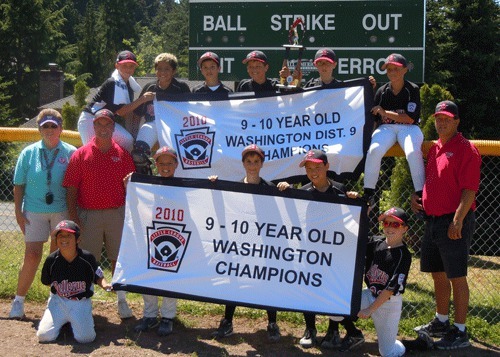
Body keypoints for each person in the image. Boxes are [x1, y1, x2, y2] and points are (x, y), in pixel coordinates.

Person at [411, 100, 481, 350]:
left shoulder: (466, 149)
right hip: (432, 219)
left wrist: (458, 219)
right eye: (438, 118)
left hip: (453, 219)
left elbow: (469, 190)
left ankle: (460, 330)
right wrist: (416, 197)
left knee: (457, 276)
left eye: (447, 119)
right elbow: (432, 182)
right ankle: (442, 321)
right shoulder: (434, 148)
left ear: (457, 121)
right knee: (437, 273)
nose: (442, 122)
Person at [276, 149, 361, 349]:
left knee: (333, 288)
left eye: (317, 167)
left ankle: (333, 330)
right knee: (309, 288)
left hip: (335, 252)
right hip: (310, 251)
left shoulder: (340, 190)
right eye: (309, 168)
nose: (313, 172)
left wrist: (355, 201)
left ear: (327, 167)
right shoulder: (302, 191)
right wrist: (285, 190)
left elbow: (355, 219)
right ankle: (310, 329)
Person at [63, 108, 136, 319]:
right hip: (89, 214)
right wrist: (73, 217)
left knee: (117, 259)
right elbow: (71, 188)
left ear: (114, 128)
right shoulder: (81, 154)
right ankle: (84, 301)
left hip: (115, 213)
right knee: (88, 261)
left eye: (108, 125)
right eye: (99, 124)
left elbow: (130, 188)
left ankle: (122, 301)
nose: (103, 129)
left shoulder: (122, 155)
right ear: (93, 126)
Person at [9, 109, 77, 320]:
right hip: (34, 211)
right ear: (39, 129)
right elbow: (18, 185)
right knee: (32, 255)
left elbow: (75, 186)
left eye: (53, 126)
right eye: (45, 126)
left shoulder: (71, 152)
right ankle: (19, 301)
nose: (49, 130)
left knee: (57, 257)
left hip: (61, 212)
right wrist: (18, 212)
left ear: (61, 128)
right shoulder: (28, 153)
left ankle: (54, 300)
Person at [210, 144, 281, 342]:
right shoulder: (234, 187)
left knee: (268, 280)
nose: (252, 165)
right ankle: (228, 322)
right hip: (240, 244)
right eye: (248, 161)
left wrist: (285, 190)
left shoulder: (270, 188)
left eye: (256, 161)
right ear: (243, 163)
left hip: (263, 244)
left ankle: (272, 323)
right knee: (234, 279)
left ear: (261, 164)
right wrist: (213, 184)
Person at [339, 207, 412, 356]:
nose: (390, 227)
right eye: (386, 223)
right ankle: (354, 333)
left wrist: (370, 309)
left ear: (405, 229)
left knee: (388, 352)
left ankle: (400, 345)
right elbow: (357, 232)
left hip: (388, 304)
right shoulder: (376, 242)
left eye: (396, 224)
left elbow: (391, 288)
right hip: (369, 294)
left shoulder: (403, 255)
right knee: (336, 308)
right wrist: (366, 214)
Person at [129, 146, 181, 336]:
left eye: (169, 163)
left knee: (170, 276)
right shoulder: (147, 185)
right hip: (151, 236)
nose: (165, 166)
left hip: (175, 237)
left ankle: (167, 317)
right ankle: (150, 315)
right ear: (155, 164)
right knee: (148, 274)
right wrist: (131, 182)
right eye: (161, 163)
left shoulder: (185, 185)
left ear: (176, 164)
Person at [363, 53, 425, 206]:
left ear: (404, 70)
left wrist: (385, 112)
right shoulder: (382, 91)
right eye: (389, 69)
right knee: (375, 150)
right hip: (387, 128)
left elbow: (410, 118)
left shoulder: (412, 89)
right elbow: (373, 117)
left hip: (409, 128)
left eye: (396, 69)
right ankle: (368, 194)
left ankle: (421, 194)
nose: (392, 72)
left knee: (412, 151)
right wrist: (369, 89)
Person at [36, 220, 111, 343]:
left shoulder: (87, 258)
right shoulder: (51, 260)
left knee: (86, 339)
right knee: (43, 336)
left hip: (80, 302)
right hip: (58, 301)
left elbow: (98, 277)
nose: (64, 239)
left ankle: (74, 319)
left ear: (77, 240)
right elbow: (47, 281)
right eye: (60, 236)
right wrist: (64, 291)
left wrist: (105, 285)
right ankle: (65, 320)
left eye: (69, 236)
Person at [78, 50, 152, 152]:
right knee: (91, 152)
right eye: (124, 65)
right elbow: (121, 112)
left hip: (106, 121)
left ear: (135, 68)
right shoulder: (113, 82)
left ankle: (119, 166)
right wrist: (142, 100)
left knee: (127, 141)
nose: (128, 69)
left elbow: (125, 112)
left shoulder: (128, 85)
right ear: (117, 66)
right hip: (90, 120)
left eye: (131, 66)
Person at [132, 53, 190, 174]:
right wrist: (134, 133)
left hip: (174, 126)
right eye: (159, 69)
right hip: (152, 124)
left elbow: (189, 112)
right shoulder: (150, 87)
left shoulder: (181, 87)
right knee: (139, 153)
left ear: (173, 71)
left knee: (177, 157)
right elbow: (137, 113)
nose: (162, 72)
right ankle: (146, 177)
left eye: (167, 69)